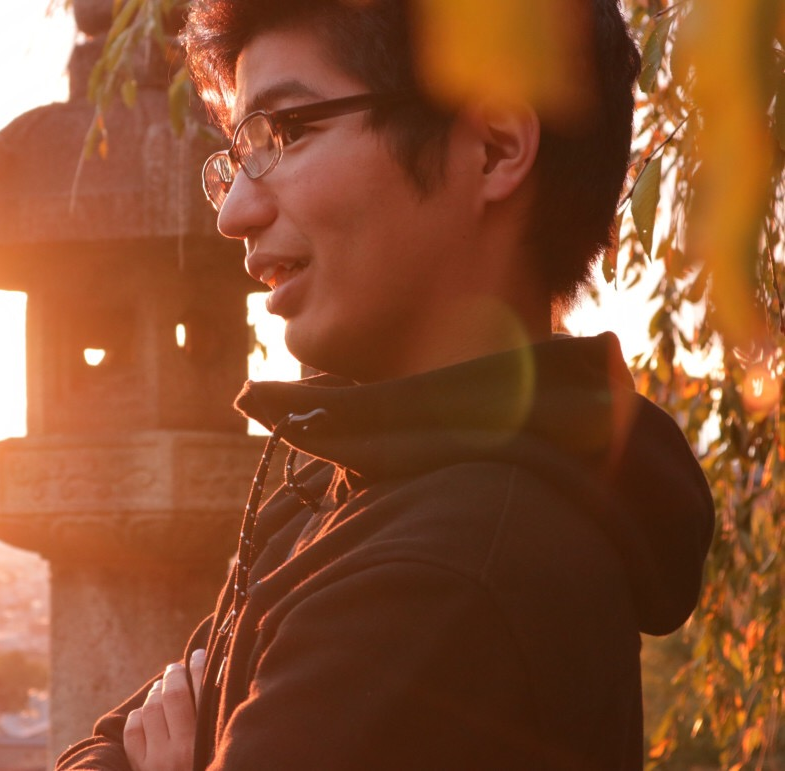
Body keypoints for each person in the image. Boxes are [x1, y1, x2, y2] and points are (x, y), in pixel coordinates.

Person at [57, 0, 715, 768]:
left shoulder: (443, 578)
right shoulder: (335, 489)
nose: (235, 212)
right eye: (236, 155)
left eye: (287, 132)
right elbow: (99, 747)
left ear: (494, 150)